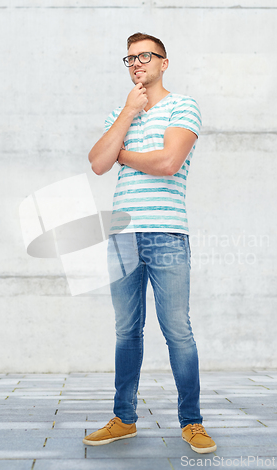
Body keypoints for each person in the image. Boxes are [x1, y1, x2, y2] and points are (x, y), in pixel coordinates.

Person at [83, 32, 216, 454]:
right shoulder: (120, 113)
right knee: (127, 332)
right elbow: (98, 162)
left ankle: (191, 422)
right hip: (122, 236)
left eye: (145, 56)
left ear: (164, 62)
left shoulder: (184, 106)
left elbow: (168, 162)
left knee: (178, 331)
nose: (137, 63)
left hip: (167, 233)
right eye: (130, 58)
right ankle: (124, 419)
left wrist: (124, 154)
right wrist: (127, 111)